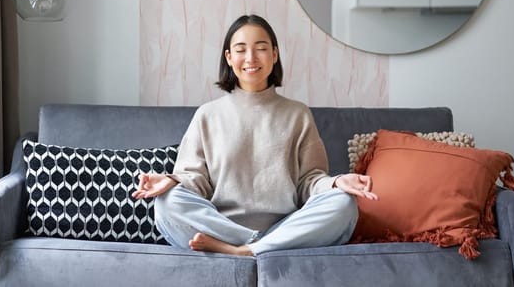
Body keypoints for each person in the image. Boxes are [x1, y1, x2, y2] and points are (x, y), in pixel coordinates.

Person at [131, 14, 377, 256]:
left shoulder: (297, 114)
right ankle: (259, 246)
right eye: (240, 50)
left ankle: (245, 250)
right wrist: (172, 181)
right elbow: (196, 180)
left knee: (343, 204)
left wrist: (336, 183)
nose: (250, 58)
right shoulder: (208, 115)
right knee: (166, 203)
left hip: (287, 224)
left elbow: (309, 182)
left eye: (261, 48)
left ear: (274, 55)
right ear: (229, 57)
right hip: (222, 226)